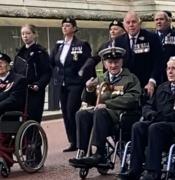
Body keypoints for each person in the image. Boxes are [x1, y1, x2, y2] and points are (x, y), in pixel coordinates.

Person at [69, 45, 141, 167]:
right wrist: (88, 89)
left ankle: (99, 153)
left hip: (120, 116)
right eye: (110, 62)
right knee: (82, 113)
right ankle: (82, 151)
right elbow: (88, 100)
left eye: (116, 62)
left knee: (100, 112)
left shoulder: (130, 78)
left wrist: (106, 104)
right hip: (101, 116)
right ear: (104, 63)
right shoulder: (101, 78)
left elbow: (132, 99)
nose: (113, 65)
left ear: (122, 62)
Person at [119, 56, 175, 180]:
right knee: (138, 126)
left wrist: (161, 117)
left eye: (174, 68)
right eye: (168, 68)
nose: (170, 72)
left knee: (155, 127)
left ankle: (153, 171)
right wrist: (150, 114)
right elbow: (148, 106)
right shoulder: (162, 87)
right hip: (159, 123)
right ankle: (134, 169)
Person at [50, 17, 92, 152]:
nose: (65, 28)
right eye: (63, 26)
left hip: (75, 83)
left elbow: (88, 62)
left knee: (72, 110)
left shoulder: (81, 44)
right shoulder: (59, 45)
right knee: (65, 113)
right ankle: (72, 141)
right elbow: (52, 62)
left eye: (68, 25)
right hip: (62, 84)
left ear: (74, 28)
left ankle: (81, 141)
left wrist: (85, 76)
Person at [115, 11, 163, 97]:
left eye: (134, 22)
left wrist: (152, 81)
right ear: (124, 25)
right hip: (126, 85)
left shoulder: (152, 38)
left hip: (146, 85)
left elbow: (158, 62)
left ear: (139, 23)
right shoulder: (119, 41)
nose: (131, 25)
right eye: (128, 22)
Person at [13, 24, 52, 124]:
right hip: (20, 91)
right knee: (19, 119)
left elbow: (47, 73)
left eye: (28, 33)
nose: (25, 36)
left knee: (33, 119)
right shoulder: (19, 53)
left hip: (34, 92)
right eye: (22, 34)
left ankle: (35, 139)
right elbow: (14, 72)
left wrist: (38, 85)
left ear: (35, 35)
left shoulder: (40, 52)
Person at [0, 53, 26, 172]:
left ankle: (4, 160)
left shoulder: (18, 79)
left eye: (2, 62)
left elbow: (14, 100)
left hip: (11, 115)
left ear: (8, 65)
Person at [154, 10, 175, 82]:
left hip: (174, 75)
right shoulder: (150, 37)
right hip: (155, 76)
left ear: (169, 21)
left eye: (161, 19)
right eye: (156, 20)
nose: (158, 22)